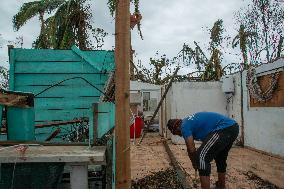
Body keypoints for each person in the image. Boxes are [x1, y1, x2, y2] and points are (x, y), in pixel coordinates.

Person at [167, 112, 239, 189]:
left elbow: (191, 149)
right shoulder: (187, 121)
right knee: (220, 158)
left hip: (223, 129)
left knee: (201, 157)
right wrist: (194, 162)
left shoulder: (184, 126)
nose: (180, 135)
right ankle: (221, 185)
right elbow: (193, 148)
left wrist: (195, 162)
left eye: (177, 133)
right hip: (233, 127)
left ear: (177, 127)